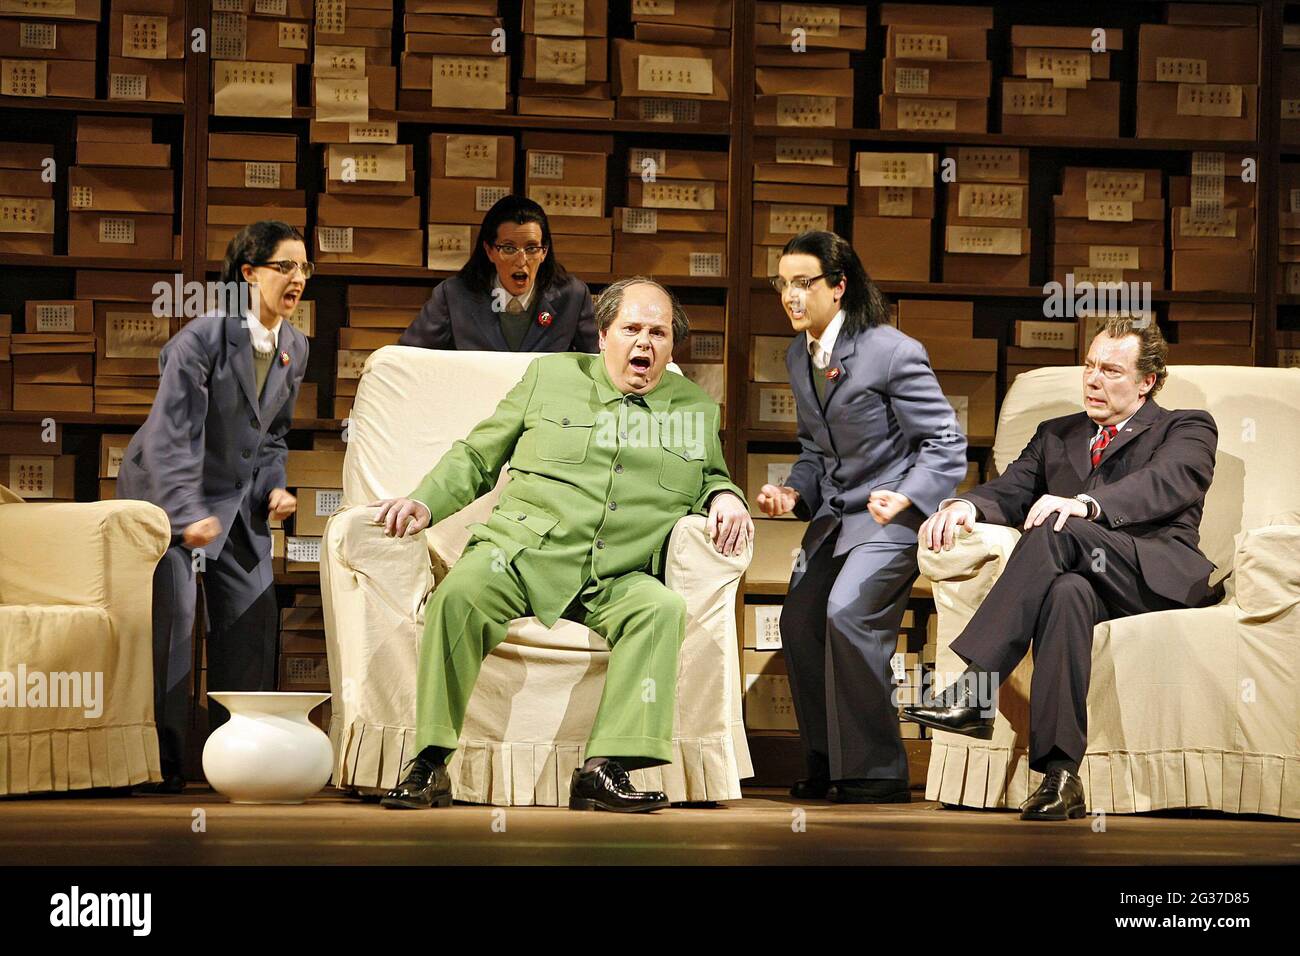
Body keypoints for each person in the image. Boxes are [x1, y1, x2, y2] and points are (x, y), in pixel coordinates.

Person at [374, 277, 752, 812]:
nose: (644, 343)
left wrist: (726, 497)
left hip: (618, 573)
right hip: (519, 555)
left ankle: (605, 770)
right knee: (458, 596)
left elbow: (711, 475)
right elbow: (478, 456)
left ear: (671, 347)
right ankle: (429, 762)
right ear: (604, 336)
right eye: (632, 329)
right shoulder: (550, 377)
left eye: (658, 333)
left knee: (661, 608)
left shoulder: (695, 408)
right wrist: (424, 502)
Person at [905, 316, 1220, 821]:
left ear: (1148, 382)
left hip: (1151, 575)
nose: (1094, 380)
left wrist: (1085, 505)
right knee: (1066, 595)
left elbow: (1166, 483)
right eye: (1090, 366)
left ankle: (975, 687)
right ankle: (1060, 777)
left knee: (1056, 525)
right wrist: (965, 507)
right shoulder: (1057, 434)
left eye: (1112, 371)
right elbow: (1009, 490)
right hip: (1085, 577)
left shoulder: (1185, 426)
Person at [757, 231, 967, 804]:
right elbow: (813, 453)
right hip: (836, 516)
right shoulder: (798, 355)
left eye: (805, 284)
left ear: (839, 286)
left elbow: (947, 442)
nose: (791, 297)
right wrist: (791, 494)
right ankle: (828, 764)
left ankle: (875, 770)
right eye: (784, 285)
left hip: (890, 519)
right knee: (800, 622)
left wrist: (906, 496)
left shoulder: (890, 350)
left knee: (848, 614)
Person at [117, 220, 311, 793]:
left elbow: (273, 435)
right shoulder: (201, 339)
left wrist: (275, 485)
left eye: (304, 268)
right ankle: (164, 767)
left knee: (252, 619)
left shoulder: (294, 347)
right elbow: (168, 435)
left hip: (238, 501)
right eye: (286, 267)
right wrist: (182, 513)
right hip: (167, 501)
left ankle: (234, 762)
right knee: (174, 627)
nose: (298, 279)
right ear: (249, 273)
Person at [400, 194, 597, 352]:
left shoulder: (573, 296)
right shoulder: (453, 295)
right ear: (489, 251)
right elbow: (405, 358)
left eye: (531, 249)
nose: (521, 261)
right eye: (509, 249)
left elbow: (600, 365)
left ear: (544, 252)